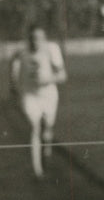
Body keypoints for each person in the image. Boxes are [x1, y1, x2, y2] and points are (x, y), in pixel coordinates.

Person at [9, 24, 67, 179]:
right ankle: (37, 169)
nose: (36, 42)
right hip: (30, 95)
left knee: (47, 128)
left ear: (45, 39)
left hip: (48, 95)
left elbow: (62, 75)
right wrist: (13, 83)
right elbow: (13, 62)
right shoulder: (22, 52)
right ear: (29, 39)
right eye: (33, 38)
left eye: (39, 38)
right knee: (34, 128)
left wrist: (48, 79)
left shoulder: (52, 50)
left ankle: (46, 144)